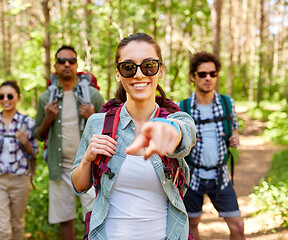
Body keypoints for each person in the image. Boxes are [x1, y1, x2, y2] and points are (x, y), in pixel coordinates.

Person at [70, 32, 197, 240]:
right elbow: (79, 185)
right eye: (129, 67)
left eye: (149, 65)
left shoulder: (178, 119)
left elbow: (185, 136)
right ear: (118, 74)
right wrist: (87, 159)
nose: (139, 74)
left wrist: (170, 131)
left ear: (160, 70)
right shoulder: (98, 123)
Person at [34, 46, 105, 240]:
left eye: (71, 61)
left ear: (76, 65)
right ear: (55, 66)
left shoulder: (93, 96)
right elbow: (38, 134)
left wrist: (93, 117)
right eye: (62, 61)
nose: (67, 64)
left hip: (90, 167)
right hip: (60, 167)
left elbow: (110, 131)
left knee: (94, 217)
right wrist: (48, 118)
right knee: (65, 219)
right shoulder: (46, 98)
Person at [179, 52, 245, 240]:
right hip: (192, 177)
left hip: (220, 176)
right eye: (202, 74)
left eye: (212, 74)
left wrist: (235, 138)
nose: (208, 78)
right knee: (192, 226)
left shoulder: (227, 103)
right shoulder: (182, 107)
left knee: (238, 225)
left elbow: (234, 130)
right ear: (193, 77)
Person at [0, 80, 38, 240]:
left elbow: (33, 152)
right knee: (3, 229)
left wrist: (25, 142)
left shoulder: (28, 123)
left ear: (18, 98)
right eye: (1, 96)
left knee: (17, 224)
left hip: (20, 180)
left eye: (10, 95)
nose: (5, 99)